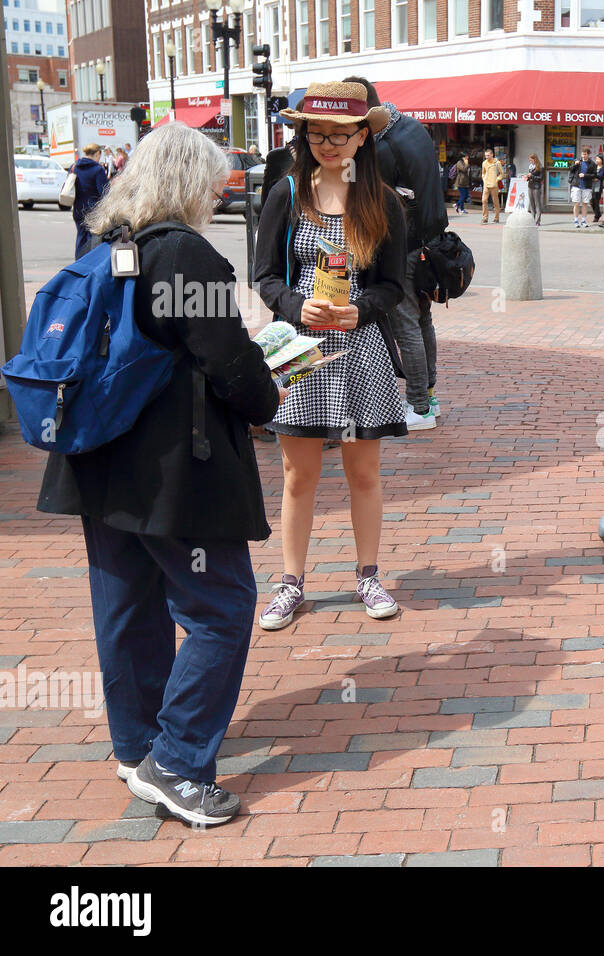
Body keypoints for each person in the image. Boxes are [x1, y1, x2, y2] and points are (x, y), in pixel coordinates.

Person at [36, 123, 283, 826]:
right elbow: (227, 360)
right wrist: (270, 392)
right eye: (210, 182)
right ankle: (175, 763)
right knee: (222, 608)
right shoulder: (183, 255)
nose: (215, 195)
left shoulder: (109, 247)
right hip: (173, 472)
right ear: (183, 184)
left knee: (127, 608)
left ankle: (138, 743)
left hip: (98, 463)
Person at [252, 81, 409, 630]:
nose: (329, 143)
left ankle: (368, 574)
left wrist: (360, 310)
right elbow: (264, 276)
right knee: (299, 474)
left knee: (363, 472)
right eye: (317, 133)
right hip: (302, 349)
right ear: (303, 134)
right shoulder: (286, 193)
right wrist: (297, 306)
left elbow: (394, 285)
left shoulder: (383, 201)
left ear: (363, 136)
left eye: (341, 134)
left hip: (361, 350)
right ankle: (290, 582)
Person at [345, 75, 448, 432]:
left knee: (406, 325)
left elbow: (372, 201)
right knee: (422, 320)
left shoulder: (382, 148)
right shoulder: (414, 126)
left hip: (405, 246)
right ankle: (429, 395)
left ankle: (420, 406)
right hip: (431, 241)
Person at [70, 143, 109, 258]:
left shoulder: (74, 167)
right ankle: (89, 262)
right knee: (93, 240)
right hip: (93, 210)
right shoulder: (98, 169)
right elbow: (104, 192)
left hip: (77, 208)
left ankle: (78, 261)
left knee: (81, 237)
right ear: (97, 153)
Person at [570, 145, 597, 228]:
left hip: (587, 186)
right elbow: (570, 169)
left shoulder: (592, 164)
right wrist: (575, 165)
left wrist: (585, 175)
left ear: (588, 154)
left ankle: (583, 220)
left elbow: (594, 175)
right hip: (576, 185)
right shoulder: (577, 161)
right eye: (582, 154)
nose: (583, 156)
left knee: (585, 204)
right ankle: (575, 220)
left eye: (585, 154)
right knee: (576, 203)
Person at [481, 147, 504, 223]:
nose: (486, 157)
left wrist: (497, 179)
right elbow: (483, 173)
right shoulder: (484, 163)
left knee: (495, 201)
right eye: (486, 155)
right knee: (484, 200)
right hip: (486, 184)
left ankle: (496, 217)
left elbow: (502, 174)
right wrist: (484, 179)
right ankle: (485, 217)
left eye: (488, 155)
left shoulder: (497, 163)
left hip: (494, 185)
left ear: (492, 155)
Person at [526, 152, 544, 225]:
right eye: (529, 160)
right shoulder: (530, 167)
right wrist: (527, 177)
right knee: (531, 204)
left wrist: (532, 176)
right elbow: (530, 176)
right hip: (530, 186)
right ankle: (532, 219)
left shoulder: (540, 167)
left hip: (537, 187)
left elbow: (541, 178)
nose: (530, 162)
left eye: (531, 160)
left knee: (537, 204)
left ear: (535, 159)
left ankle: (538, 220)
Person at [591, 153, 604, 226]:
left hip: (599, 186)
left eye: (598, 159)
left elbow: (601, 176)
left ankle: (596, 216)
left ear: (602, 160)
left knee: (596, 200)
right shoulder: (594, 166)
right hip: (592, 185)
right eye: (596, 159)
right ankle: (598, 213)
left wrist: (595, 176)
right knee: (592, 201)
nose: (596, 160)